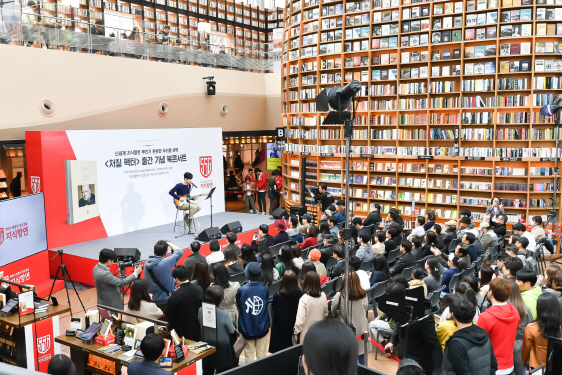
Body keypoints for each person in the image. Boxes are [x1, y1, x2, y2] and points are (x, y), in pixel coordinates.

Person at [385, 284, 443, 375]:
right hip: (404, 362)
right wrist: (392, 341)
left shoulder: (423, 315)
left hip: (419, 366)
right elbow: (399, 325)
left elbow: (434, 345)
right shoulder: (400, 308)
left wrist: (437, 371)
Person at [442, 295, 498, 374]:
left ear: (453, 315)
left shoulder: (456, 344)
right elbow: (493, 364)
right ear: (474, 315)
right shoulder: (484, 334)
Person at [477, 278, 521, 375]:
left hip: (491, 366)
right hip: (509, 364)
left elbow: (479, 342)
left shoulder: (485, 317)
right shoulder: (514, 311)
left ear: (491, 293)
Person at [331, 272, 369, 364]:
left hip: (345, 329)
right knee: (361, 353)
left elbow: (333, 310)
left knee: (345, 357)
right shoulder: (364, 294)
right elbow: (366, 307)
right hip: (362, 328)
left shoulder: (340, 295)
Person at [198, 286, 237, 375]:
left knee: (207, 369)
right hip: (222, 347)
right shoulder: (224, 314)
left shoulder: (200, 310)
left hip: (206, 344)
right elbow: (231, 330)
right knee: (224, 370)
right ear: (221, 298)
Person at [236, 262, 270, 362]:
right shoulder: (265, 289)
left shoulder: (241, 290)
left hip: (247, 328)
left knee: (249, 357)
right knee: (261, 355)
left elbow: (239, 306)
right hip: (262, 327)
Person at [522, 293, 562, 369]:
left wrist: (524, 364)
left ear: (539, 309)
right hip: (557, 367)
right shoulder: (560, 328)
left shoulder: (531, 328)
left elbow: (525, 352)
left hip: (536, 367)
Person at [166, 265, 204, 341]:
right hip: (197, 327)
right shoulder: (198, 288)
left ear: (176, 279)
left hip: (181, 331)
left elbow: (169, 313)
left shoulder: (175, 295)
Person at [269, 270, 303, 353]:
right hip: (293, 327)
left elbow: (273, 310)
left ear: (283, 281)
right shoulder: (301, 295)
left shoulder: (277, 296)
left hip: (279, 328)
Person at [144, 240, 183, 311]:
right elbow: (179, 251)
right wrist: (168, 243)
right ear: (166, 253)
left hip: (153, 301)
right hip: (166, 301)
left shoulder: (146, 264)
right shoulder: (166, 262)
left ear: (154, 251)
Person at [294, 271, 328, 343]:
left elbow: (299, 322)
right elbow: (325, 313)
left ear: (306, 282)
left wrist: (295, 335)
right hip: (320, 332)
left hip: (307, 335)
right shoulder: (323, 295)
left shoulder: (304, 299)